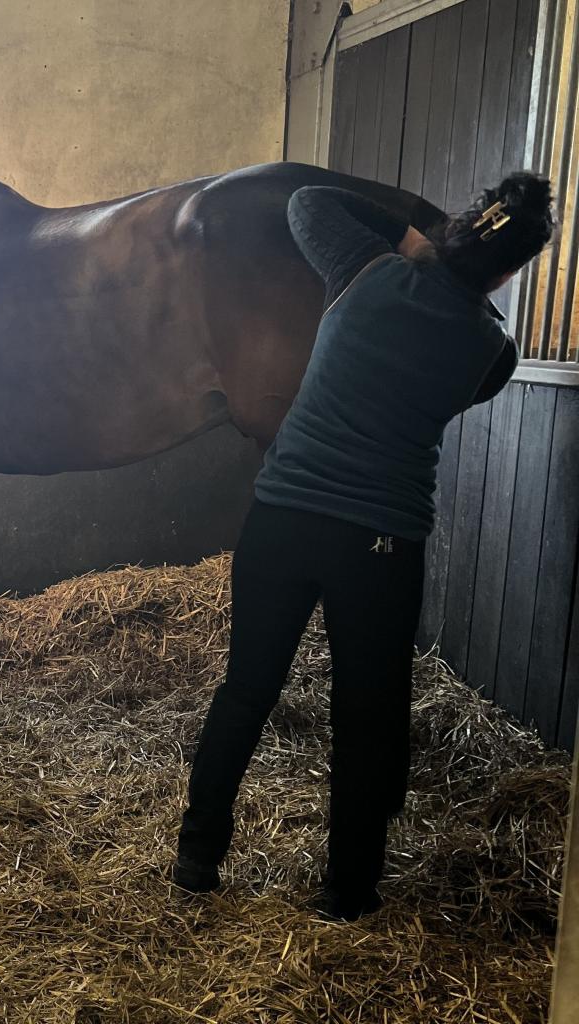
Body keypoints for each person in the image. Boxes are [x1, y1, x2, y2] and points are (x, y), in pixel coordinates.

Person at [174, 172, 555, 922]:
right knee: (367, 712)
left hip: (280, 517)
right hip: (381, 538)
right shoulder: (493, 349)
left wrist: (410, 238)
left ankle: (196, 859)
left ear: (464, 224)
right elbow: (463, 386)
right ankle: (346, 892)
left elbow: (307, 203)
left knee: (247, 690)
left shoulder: (365, 268)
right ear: (511, 272)